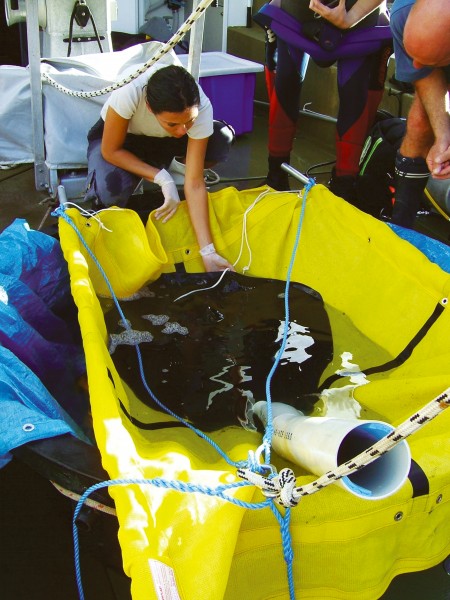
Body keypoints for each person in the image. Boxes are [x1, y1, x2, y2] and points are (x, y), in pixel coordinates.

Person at [84, 63, 235, 271]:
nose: (183, 130)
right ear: (149, 108)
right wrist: (161, 178)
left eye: (189, 121)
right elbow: (110, 150)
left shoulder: (201, 107)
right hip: (124, 141)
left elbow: (195, 183)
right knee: (111, 190)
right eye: (172, 123)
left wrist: (207, 250)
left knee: (220, 137)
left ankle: (174, 165)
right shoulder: (131, 92)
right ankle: (153, 175)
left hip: (164, 143)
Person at [253, 0, 393, 202]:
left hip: (361, 16)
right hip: (298, 13)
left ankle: (344, 188)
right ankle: (276, 174)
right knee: (285, 83)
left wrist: (351, 17)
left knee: (356, 96)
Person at [389, 0, 450, 228]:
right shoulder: (402, 14)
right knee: (419, 122)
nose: (414, 64)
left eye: (425, 59)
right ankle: (400, 225)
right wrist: (443, 136)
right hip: (437, 40)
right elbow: (423, 72)